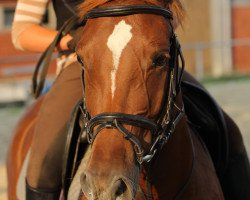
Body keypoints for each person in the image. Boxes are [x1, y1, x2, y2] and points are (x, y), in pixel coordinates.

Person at [12, 0, 83, 198]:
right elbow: (22, 31)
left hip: (144, 59)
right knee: (43, 163)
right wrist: (69, 41)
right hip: (81, 63)